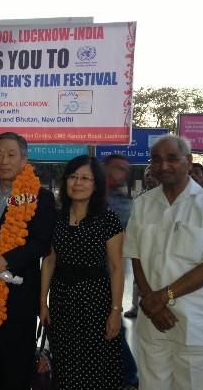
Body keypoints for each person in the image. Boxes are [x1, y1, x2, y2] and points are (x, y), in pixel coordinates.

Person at [124, 134, 203, 390]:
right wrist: (151, 302)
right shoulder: (143, 205)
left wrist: (163, 296)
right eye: (156, 159)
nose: (163, 165)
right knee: (152, 385)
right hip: (153, 321)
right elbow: (136, 255)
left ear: (188, 160)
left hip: (196, 323)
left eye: (172, 158)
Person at [0, 132, 56, 390]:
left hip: (19, 298)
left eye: (11, 154)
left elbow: (40, 243)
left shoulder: (41, 197)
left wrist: (5, 260)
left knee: (15, 370)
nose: (4, 160)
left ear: (24, 159)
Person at [40, 155, 124, 389]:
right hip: (62, 302)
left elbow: (116, 267)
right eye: (73, 177)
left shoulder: (107, 219)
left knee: (95, 367)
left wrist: (116, 312)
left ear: (96, 185)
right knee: (66, 366)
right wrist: (43, 302)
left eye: (85, 178)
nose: (77, 183)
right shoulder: (57, 217)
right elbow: (49, 260)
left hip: (96, 303)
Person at [102, 154, 139, 389]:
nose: (121, 173)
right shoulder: (93, 192)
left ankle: (129, 376)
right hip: (81, 272)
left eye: (125, 169)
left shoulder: (122, 201)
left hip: (108, 272)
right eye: (117, 168)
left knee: (113, 321)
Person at [125, 164, 159, 318]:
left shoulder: (166, 197)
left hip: (159, 245)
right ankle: (135, 307)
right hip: (142, 244)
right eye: (147, 175)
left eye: (153, 175)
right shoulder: (139, 198)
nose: (150, 178)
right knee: (138, 278)